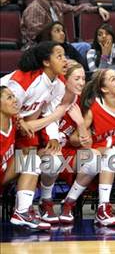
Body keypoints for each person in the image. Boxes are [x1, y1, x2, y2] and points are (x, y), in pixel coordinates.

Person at [36, 61, 100, 224]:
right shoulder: (48, 100)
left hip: (68, 155)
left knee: (94, 158)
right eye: (77, 78)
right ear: (64, 79)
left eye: (83, 78)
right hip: (42, 154)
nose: (81, 83)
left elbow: (86, 144)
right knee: (54, 160)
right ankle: (46, 201)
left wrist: (80, 123)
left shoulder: (81, 104)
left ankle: (69, 202)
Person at [81, 68, 115, 226]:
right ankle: (102, 207)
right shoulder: (94, 107)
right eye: (113, 79)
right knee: (110, 155)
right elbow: (79, 137)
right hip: (101, 149)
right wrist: (82, 138)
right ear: (104, 89)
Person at [0, 86, 50, 230]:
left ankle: (22, 212)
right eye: (9, 97)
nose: (15, 100)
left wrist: (20, 120)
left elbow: (16, 116)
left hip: (4, 172)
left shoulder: (13, 120)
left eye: (13, 96)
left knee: (32, 159)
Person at [21, 0, 110, 52]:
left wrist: (97, 9)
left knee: (85, 47)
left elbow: (75, 9)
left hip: (58, 46)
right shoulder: (34, 9)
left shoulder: (55, 4)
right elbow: (36, 37)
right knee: (83, 47)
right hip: (42, 50)